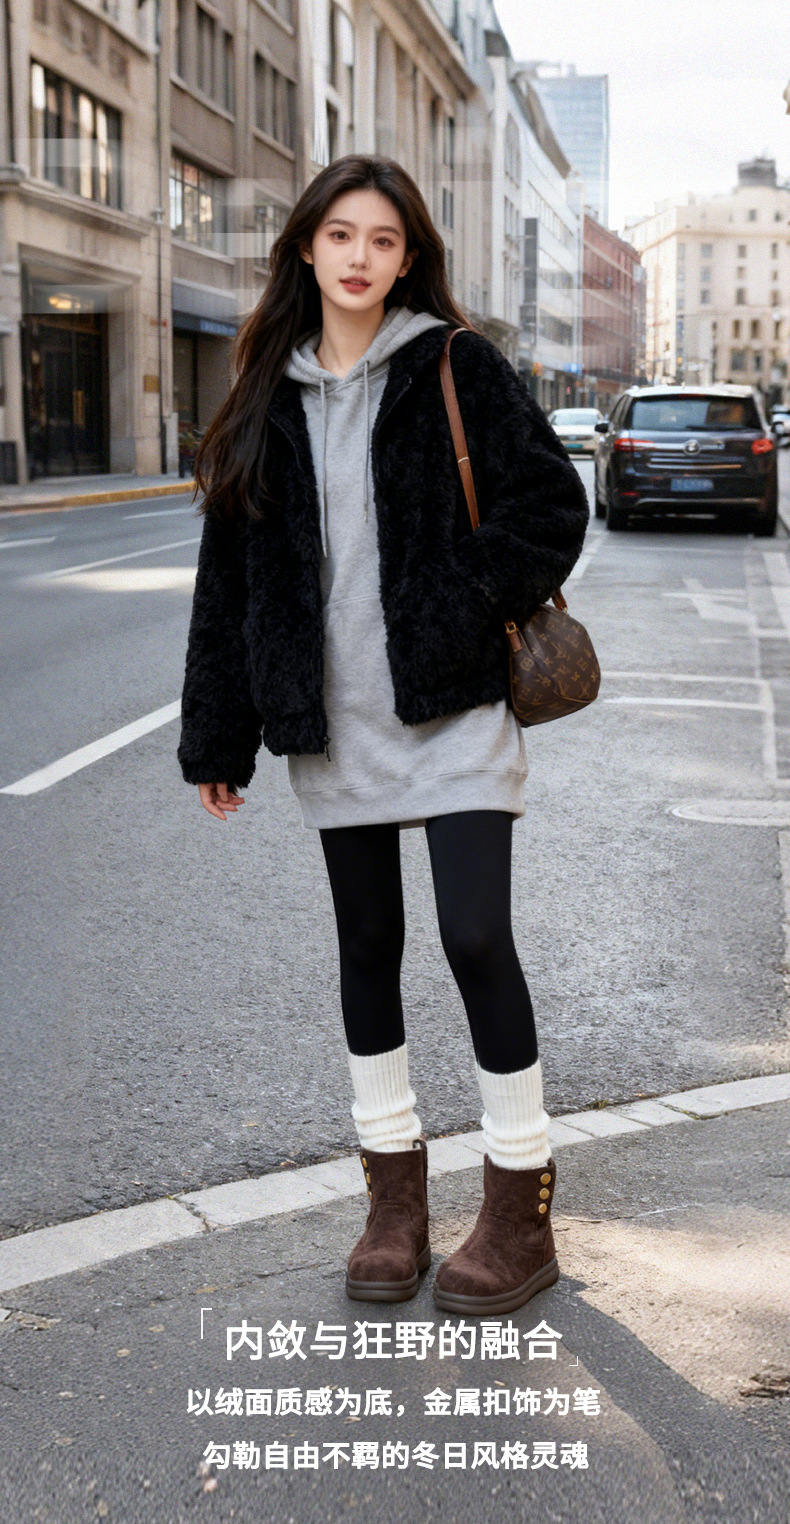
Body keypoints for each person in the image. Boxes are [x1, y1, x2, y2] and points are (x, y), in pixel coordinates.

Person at [178, 154, 589, 1316]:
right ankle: (392, 1204)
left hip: (454, 706)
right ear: (307, 248)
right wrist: (218, 735)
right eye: (341, 235)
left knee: (474, 936)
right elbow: (229, 580)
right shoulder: (264, 393)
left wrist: (457, 603)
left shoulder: (454, 364)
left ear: (408, 260)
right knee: (367, 945)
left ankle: (518, 1204)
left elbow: (550, 506)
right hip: (336, 721)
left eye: (383, 240)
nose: (360, 257)